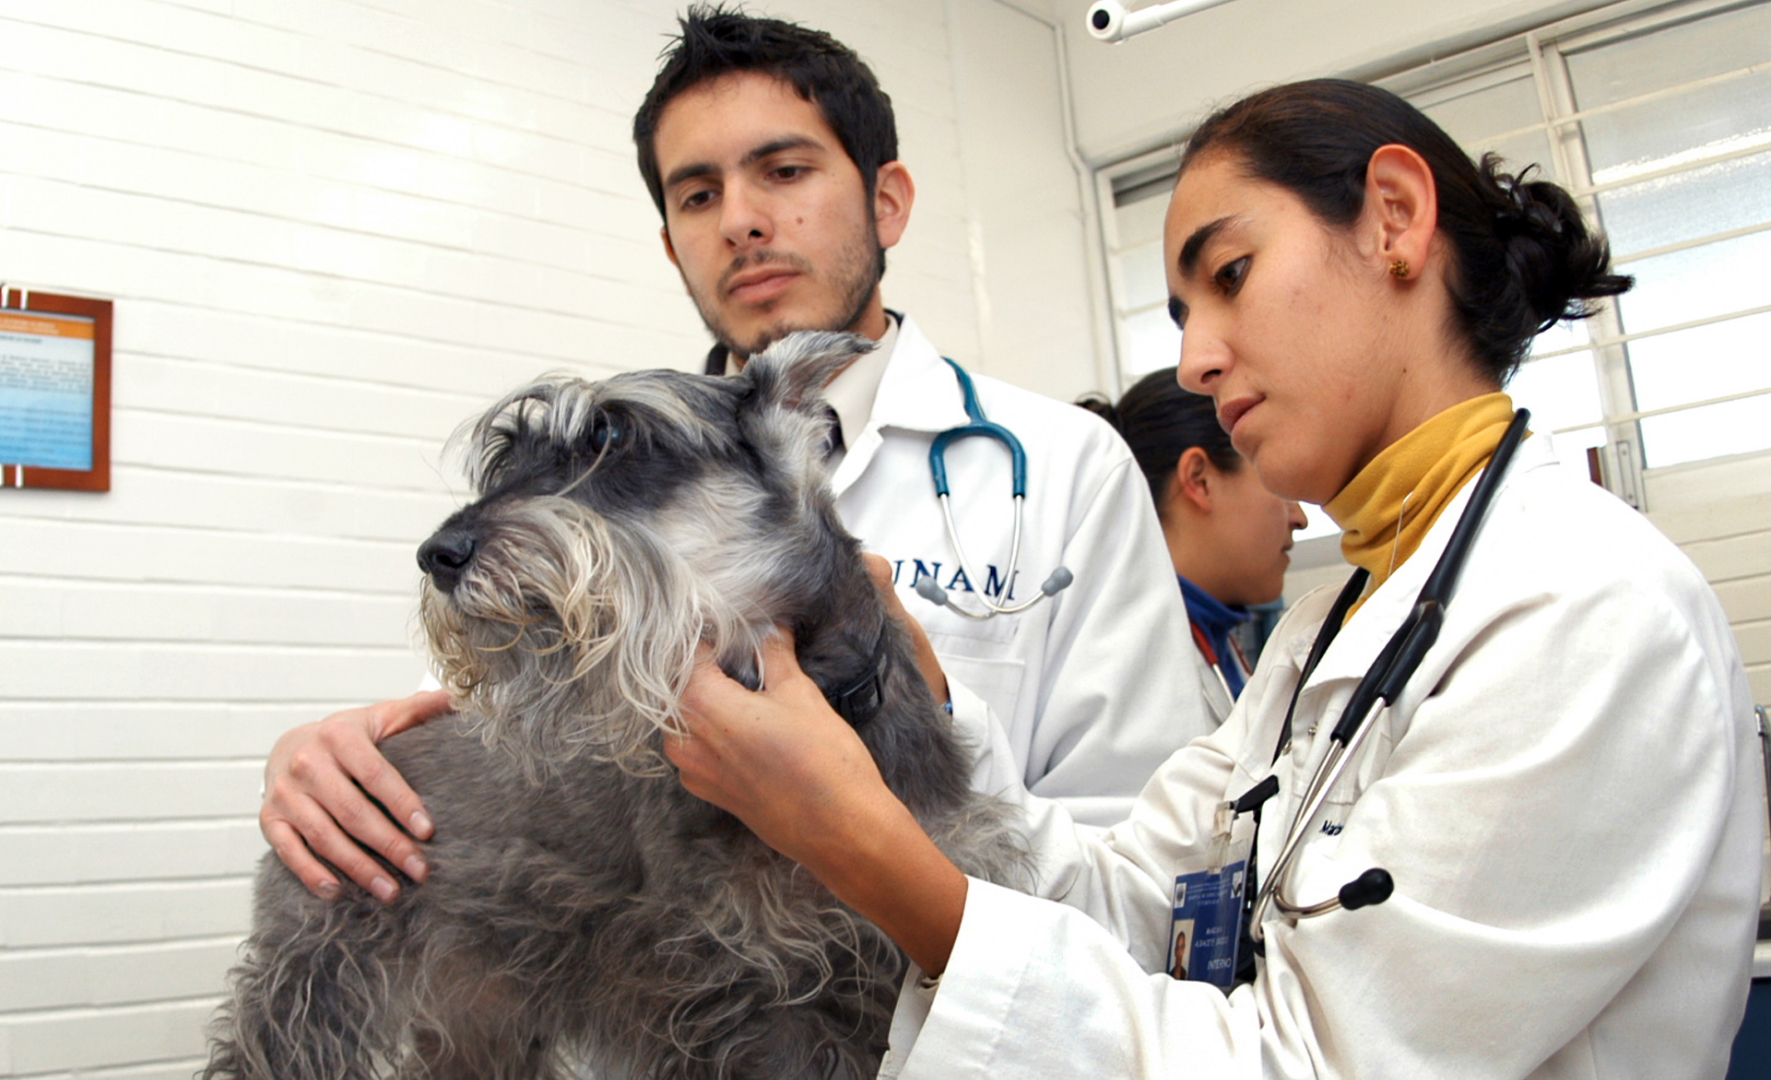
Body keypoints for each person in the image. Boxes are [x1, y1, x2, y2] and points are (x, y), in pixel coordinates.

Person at [669, 79, 1765, 1078]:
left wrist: (859, 848)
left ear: (1393, 217)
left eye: (1230, 277)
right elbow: (1125, 906)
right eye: (1186, 315)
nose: (1194, 361)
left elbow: (1310, 1064)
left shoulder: (1586, 608)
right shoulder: (1323, 636)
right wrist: (929, 706)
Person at [255, 7, 1213, 904]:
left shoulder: (1065, 466)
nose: (741, 221)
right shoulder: (586, 481)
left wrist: (917, 716)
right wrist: (334, 753)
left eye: (785, 171)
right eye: (698, 194)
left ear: (887, 202)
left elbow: (1142, 857)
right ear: (673, 245)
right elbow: (501, 718)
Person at [1081, 368, 1309, 709]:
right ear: (1200, 480)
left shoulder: (1213, 641)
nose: (1300, 518)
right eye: (1277, 481)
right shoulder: (1127, 667)